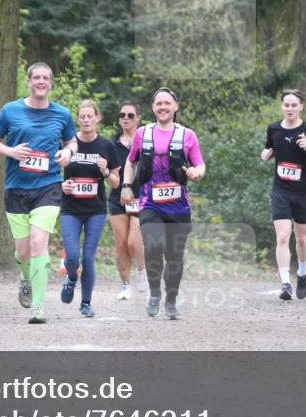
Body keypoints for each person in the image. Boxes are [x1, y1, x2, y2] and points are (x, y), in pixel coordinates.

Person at [0, 62, 77, 324]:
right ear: (28, 82)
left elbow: (72, 141)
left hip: (48, 186)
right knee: (23, 252)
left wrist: (68, 153)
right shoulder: (10, 110)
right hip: (16, 188)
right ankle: (25, 278)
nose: (41, 81)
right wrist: (11, 152)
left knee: (39, 243)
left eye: (45, 78)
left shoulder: (62, 114)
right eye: (36, 77)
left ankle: (38, 307)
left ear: (50, 83)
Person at [120, 88, 205, 320]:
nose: (163, 107)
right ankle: (155, 293)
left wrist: (197, 172)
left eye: (167, 103)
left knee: (175, 257)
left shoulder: (187, 135)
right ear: (153, 107)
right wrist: (127, 185)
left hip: (179, 207)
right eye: (159, 103)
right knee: (154, 245)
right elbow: (131, 162)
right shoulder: (142, 133)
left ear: (176, 106)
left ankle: (171, 300)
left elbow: (200, 164)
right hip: (150, 203)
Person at [260, 89, 306, 301]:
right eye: (286, 105)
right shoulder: (273, 129)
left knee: (301, 238)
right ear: (282, 107)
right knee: (282, 236)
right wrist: (266, 154)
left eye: (293, 105)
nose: (289, 108)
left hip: (303, 192)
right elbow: (270, 150)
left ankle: (302, 273)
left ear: (300, 107)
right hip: (280, 190)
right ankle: (285, 283)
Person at [59, 100, 121, 318]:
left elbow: (115, 182)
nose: (86, 120)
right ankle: (71, 278)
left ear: (97, 118)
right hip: (70, 209)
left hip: (95, 210)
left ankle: (85, 303)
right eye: (82, 116)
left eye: (89, 116)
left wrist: (105, 173)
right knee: (73, 256)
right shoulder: (68, 143)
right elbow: (52, 171)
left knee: (88, 257)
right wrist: (61, 185)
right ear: (78, 119)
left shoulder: (106, 146)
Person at [108, 100, 149, 301]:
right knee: (121, 243)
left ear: (138, 118)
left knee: (134, 241)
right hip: (118, 198)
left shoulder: (147, 140)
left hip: (142, 196)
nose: (125, 118)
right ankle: (125, 285)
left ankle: (142, 271)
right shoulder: (111, 144)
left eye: (130, 115)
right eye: (122, 115)